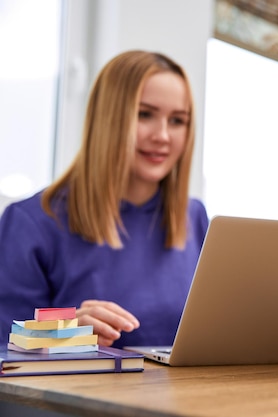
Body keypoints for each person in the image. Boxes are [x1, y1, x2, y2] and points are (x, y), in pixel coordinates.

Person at [0, 50, 209, 349]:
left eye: (178, 120)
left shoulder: (195, 217)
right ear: (107, 119)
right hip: (79, 396)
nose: (163, 135)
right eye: (144, 114)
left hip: (183, 395)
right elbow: (5, 346)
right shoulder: (31, 222)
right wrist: (67, 332)